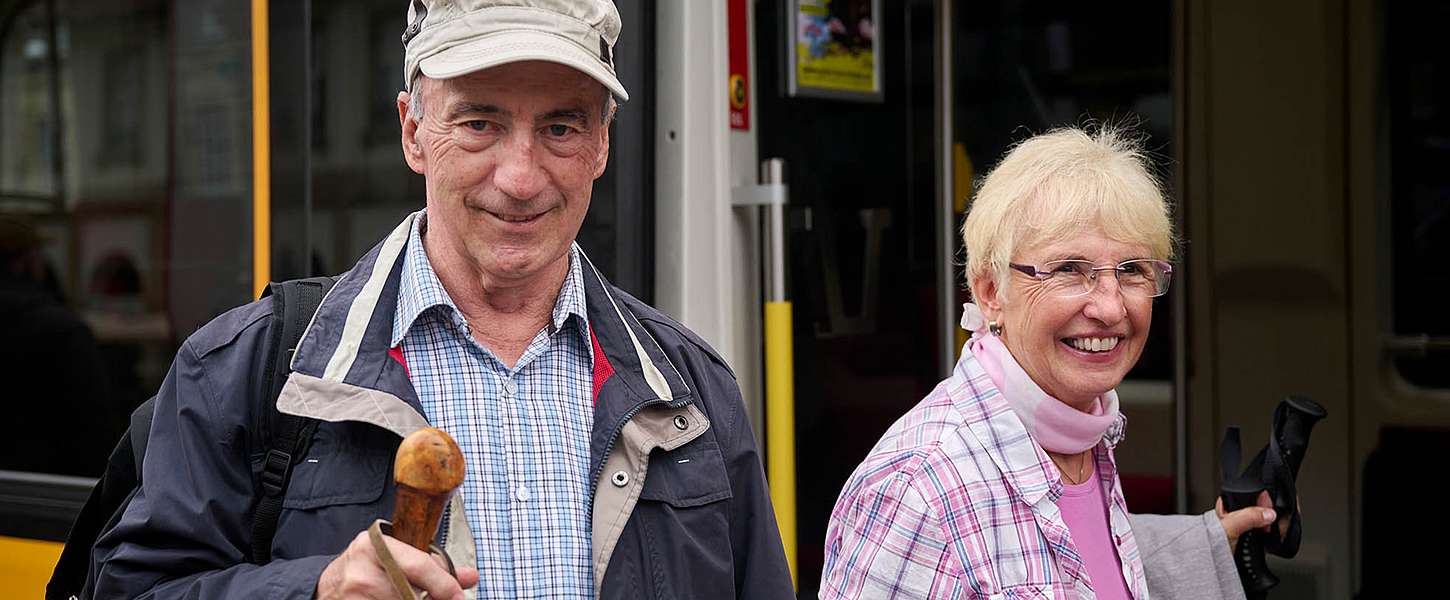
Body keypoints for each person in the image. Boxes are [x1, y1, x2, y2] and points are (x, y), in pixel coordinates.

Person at [91, 1, 794, 598]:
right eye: (480, 122)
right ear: (413, 132)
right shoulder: (246, 372)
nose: (520, 177)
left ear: (602, 145)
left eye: (560, 127)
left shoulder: (693, 392)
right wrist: (312, 589)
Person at [820, 126, 1281, 599]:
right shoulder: (916, 490)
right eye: (1068, 270)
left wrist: (1214, 540)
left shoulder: (1083, 432)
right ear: (990, 292)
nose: (1110, 307)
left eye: (1132, 271)